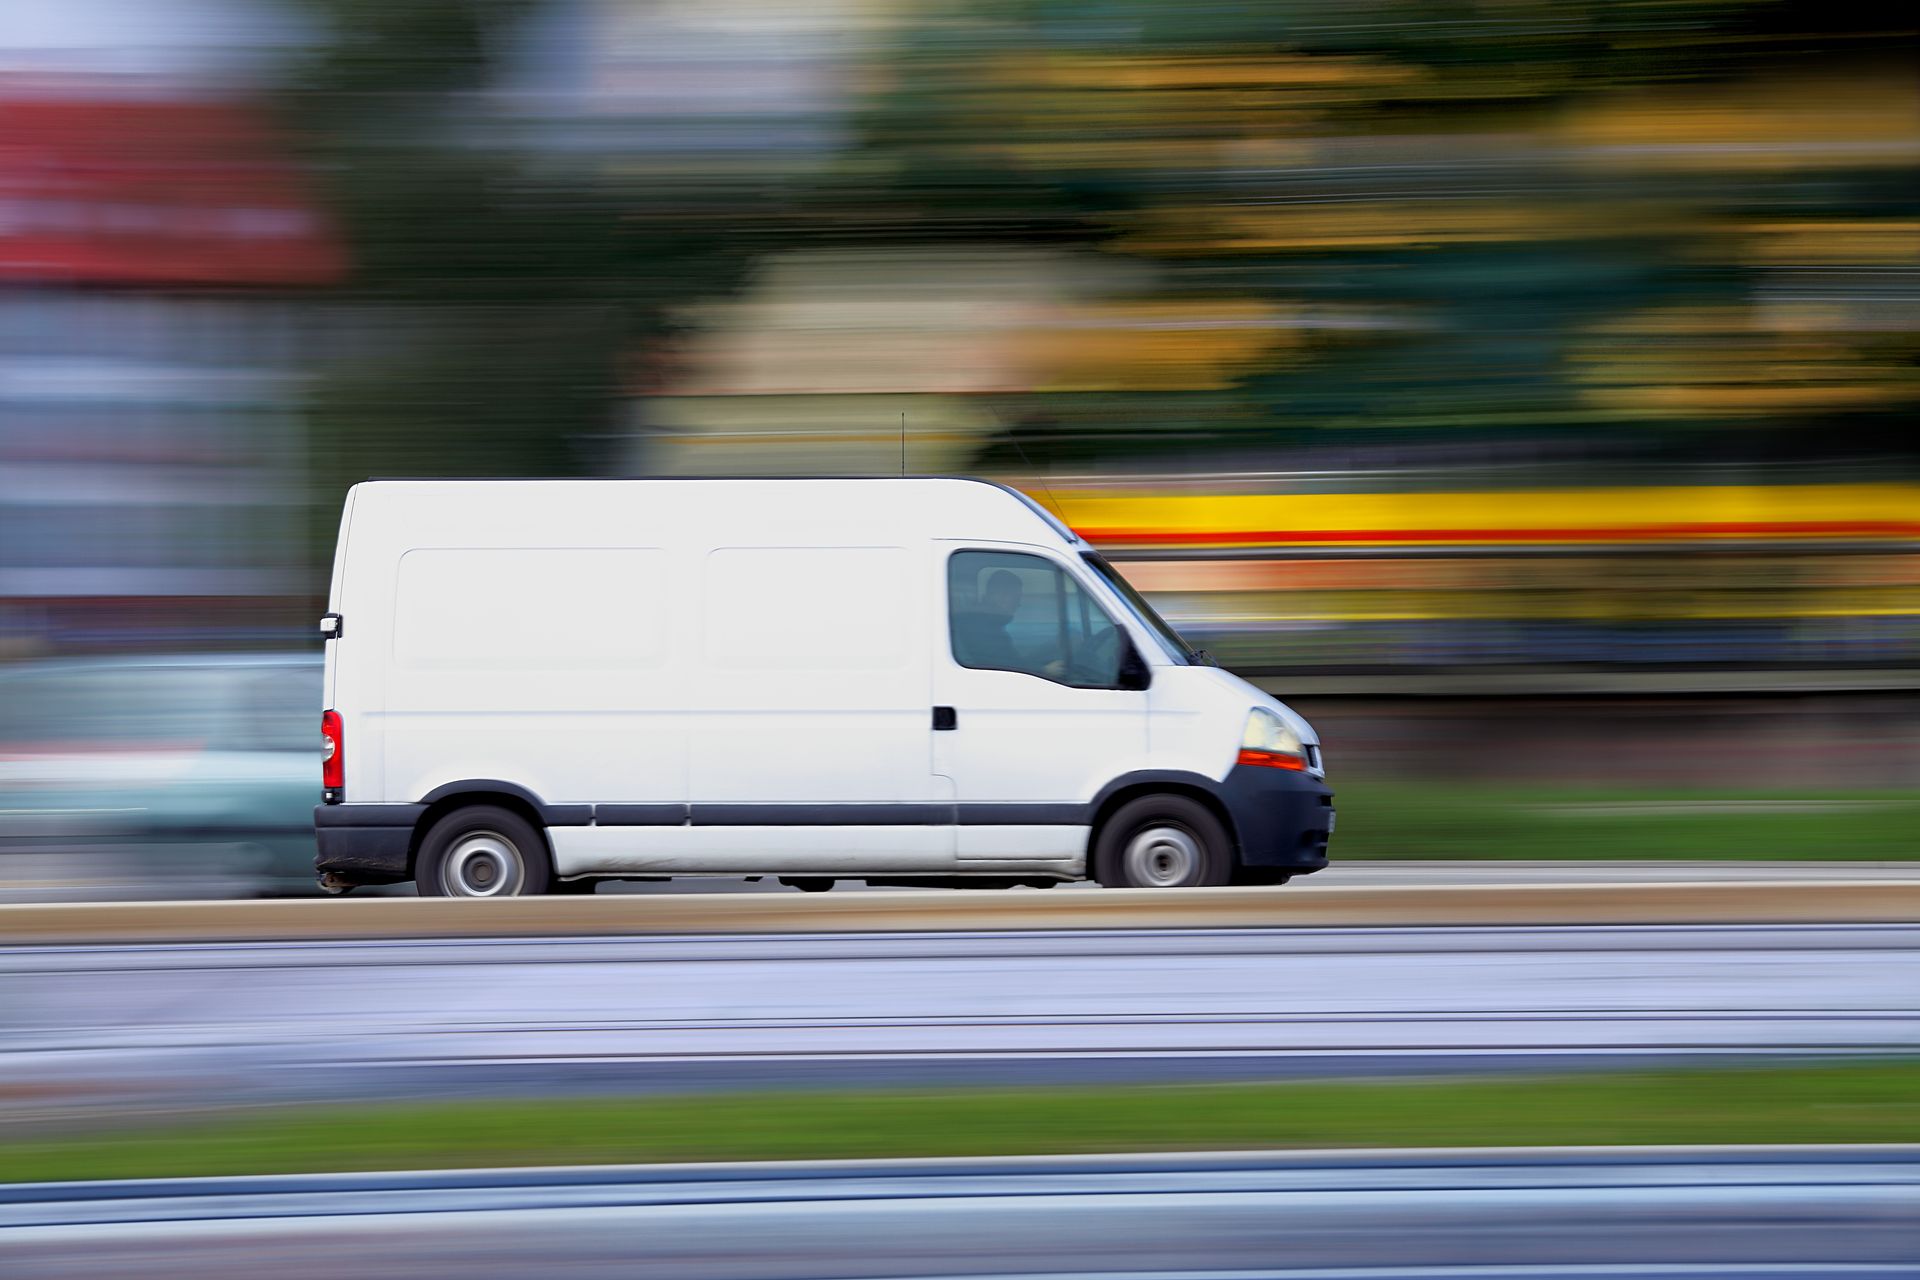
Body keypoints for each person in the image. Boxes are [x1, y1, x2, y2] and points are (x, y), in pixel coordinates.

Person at [953, 569, 1024, 670]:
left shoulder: (983, 622)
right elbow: (1011, 668)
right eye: (1016, 598)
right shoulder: (983, 629)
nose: (1018, 604)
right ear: (1001, 596)